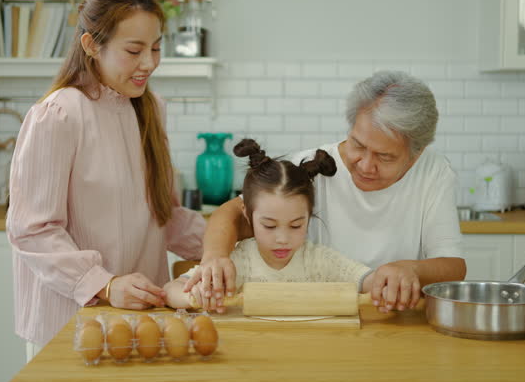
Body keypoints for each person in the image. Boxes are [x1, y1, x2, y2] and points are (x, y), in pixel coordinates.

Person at [6, 0, 205, 358]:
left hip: (143, 320)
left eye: (156, 48)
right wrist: (106, 285)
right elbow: (32, 229)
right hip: (68, 325)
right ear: (91, 46)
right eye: (134, 50)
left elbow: (164, 217)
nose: (149, 63)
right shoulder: (60, 113)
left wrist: (229, 239)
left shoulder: (150, 109)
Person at [184, 71, 465, 313]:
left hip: (390, 316)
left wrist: (412, 270)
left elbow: (453, 266)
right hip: (321, 317)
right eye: (357, 144)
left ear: (416, 155)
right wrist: (215, 257)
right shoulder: (312, 166)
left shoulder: (433, 171)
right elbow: (233, 211)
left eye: (385, 157)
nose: (366, 165)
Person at [165, 139, 373, 311]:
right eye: (270, 226)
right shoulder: (240, 261)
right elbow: (171, 290)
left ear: (309, 216)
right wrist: (193, 296)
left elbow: (366, 279)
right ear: (247, 215)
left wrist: (389, 281)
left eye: (295, 226)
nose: (282, 239)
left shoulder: (318, 260)